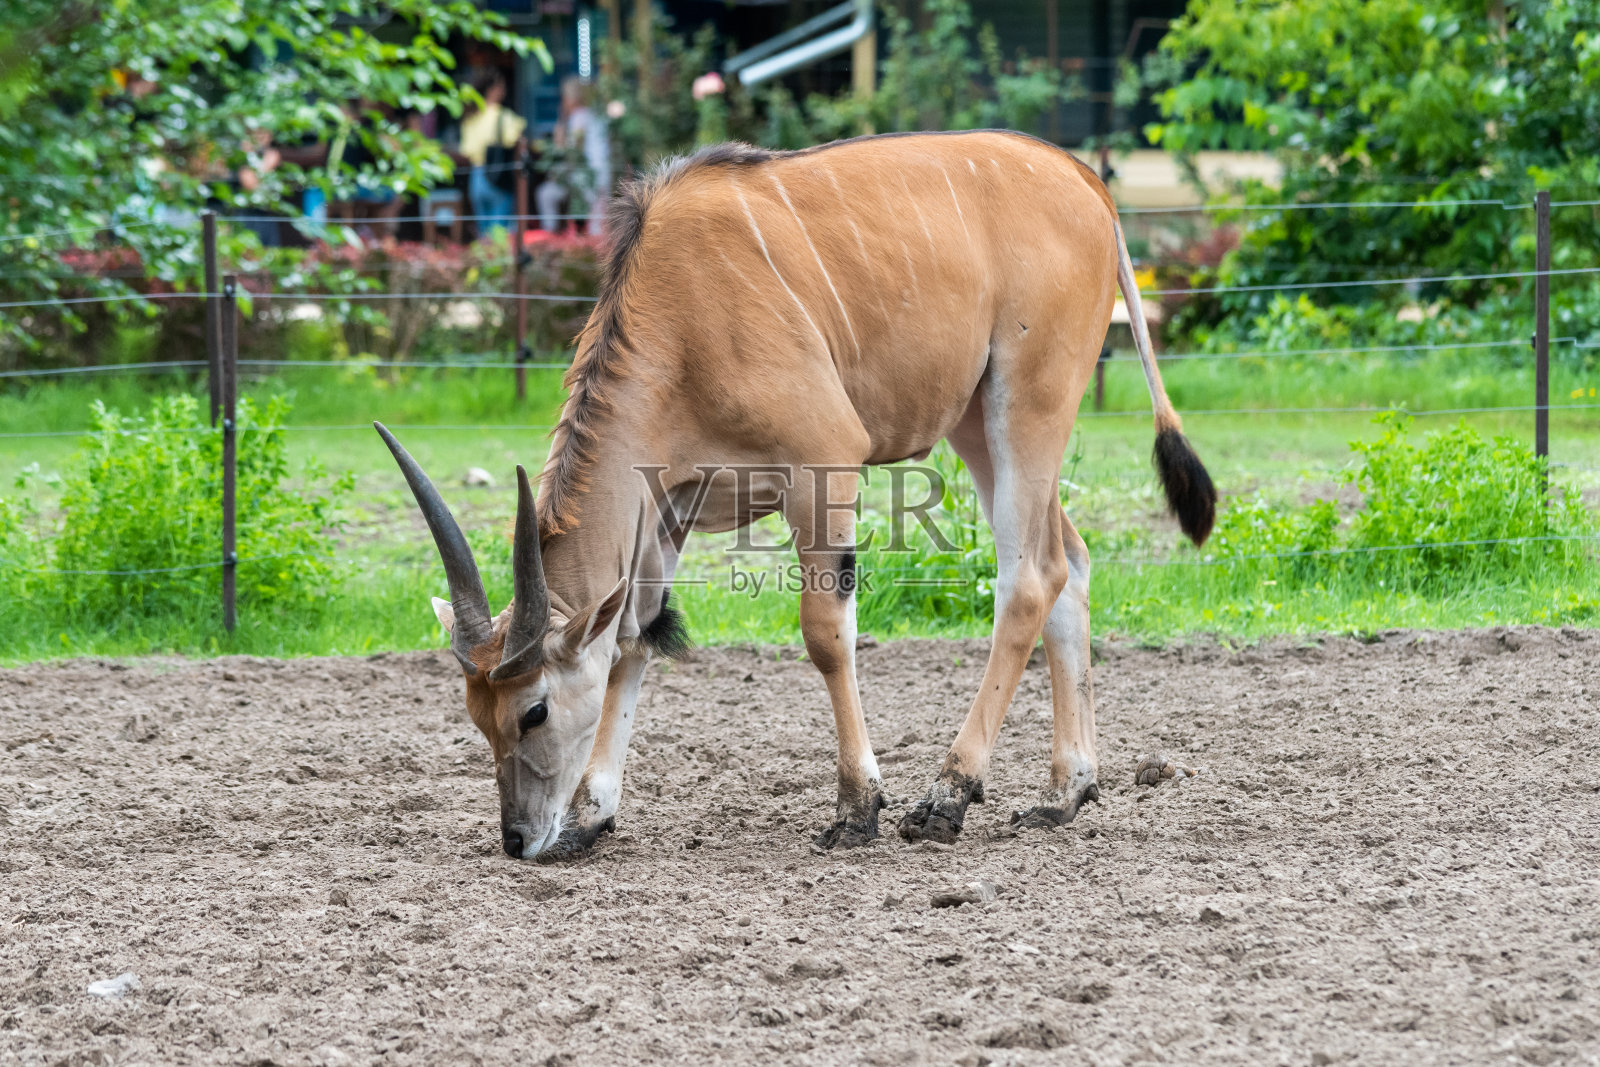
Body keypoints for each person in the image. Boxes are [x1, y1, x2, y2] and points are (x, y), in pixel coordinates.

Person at [536, 77, 611, 235]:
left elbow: (571, 151)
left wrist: (560, 122)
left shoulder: (579, 117)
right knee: (598, 224)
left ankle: (551, 236)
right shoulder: (595, 115)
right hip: (603, 172)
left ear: (571, 98)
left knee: (545, 194)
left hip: (587, 177)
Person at [458, 71, 526, 235]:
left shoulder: (471, 117)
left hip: (476, 177)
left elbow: (466, 152)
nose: (504, 91)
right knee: (499, 232)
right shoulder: (504, 116)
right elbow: (519, 143)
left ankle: (486, 260)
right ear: (492, 89)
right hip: (498, 176)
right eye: (501, 87)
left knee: (483, 232)